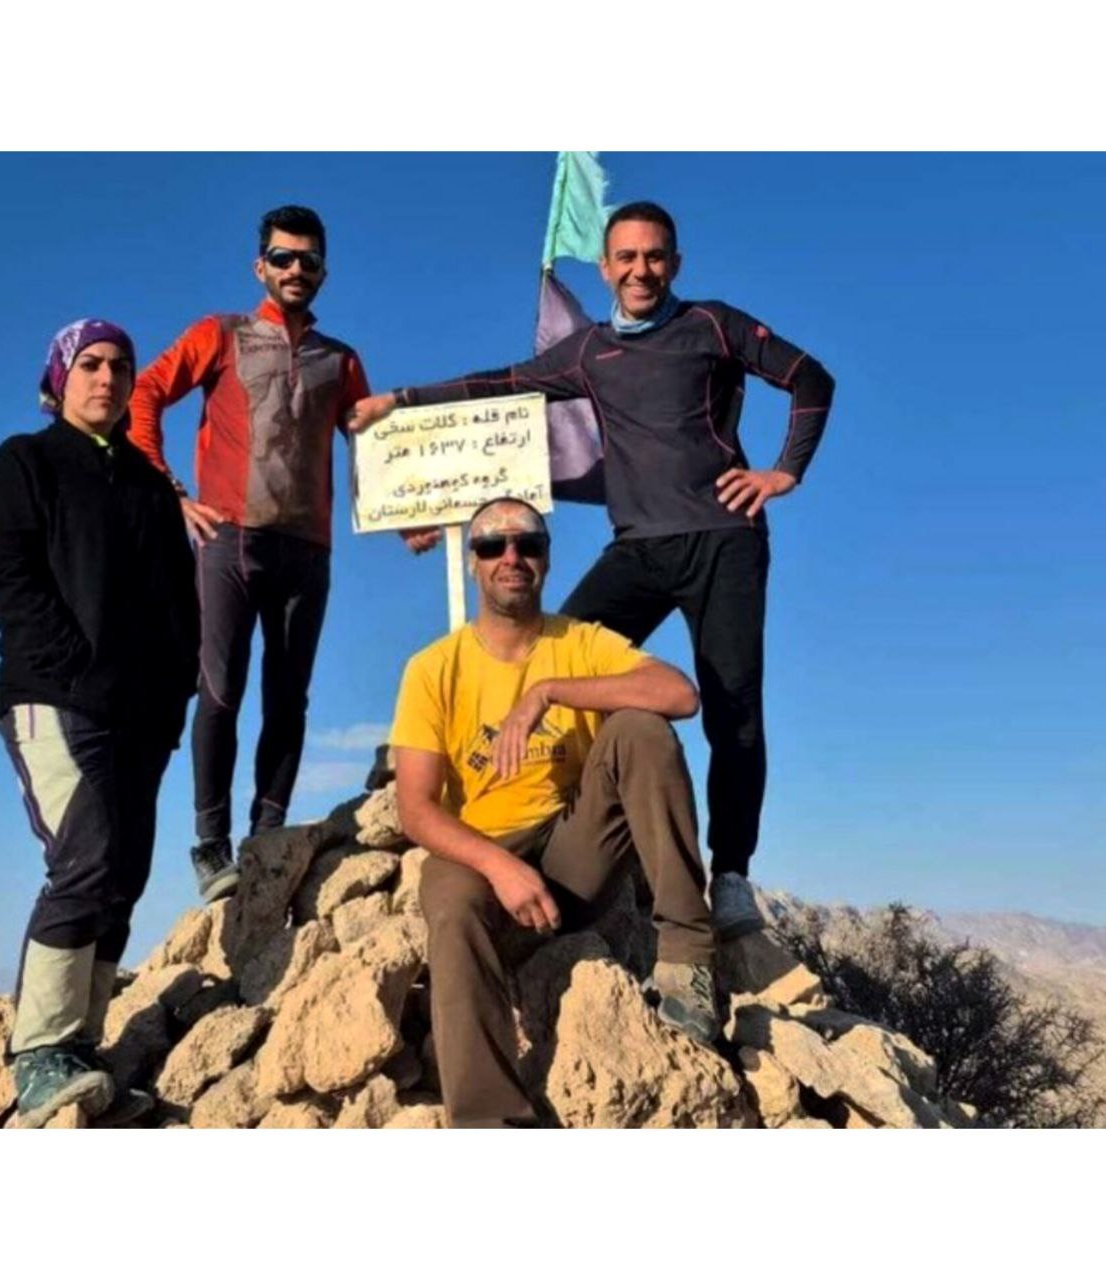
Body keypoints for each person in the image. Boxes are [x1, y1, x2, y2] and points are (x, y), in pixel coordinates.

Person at [352, 200, 835, 943]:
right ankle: (559, 810)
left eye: (655, 256)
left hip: (723, 539)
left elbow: (811, 379)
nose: (641, 270)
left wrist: (784, 472)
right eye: (627, 258)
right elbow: (502, 384)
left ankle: (731, 874)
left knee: (733, 706)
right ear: (605, 268)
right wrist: (402, 401)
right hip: (637, 547)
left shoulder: (712, 324)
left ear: (675, 263)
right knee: (547, 649)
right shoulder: (587, 351)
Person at [389, 496, 715, 1128]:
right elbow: (416, 809)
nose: (510, 557)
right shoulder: (433, 669)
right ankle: (492, 1123)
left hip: (573, 849)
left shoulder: (579, 642)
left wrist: (550, 691)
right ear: (473, 562)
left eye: (527, 543)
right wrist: (500, 867)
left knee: (641, 730)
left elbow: (679, 694)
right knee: (451, 904)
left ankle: (688, 962)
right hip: (482, 854)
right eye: (493, 545)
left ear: (546, 558)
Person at [0, 319, 200, 1128]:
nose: (108, 378)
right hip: (53, 698)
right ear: (60, 378)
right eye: (91, 364)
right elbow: (1, 572)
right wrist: (72, 661)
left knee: (124, 873)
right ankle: (39, 1052)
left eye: (121, 367)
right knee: (86, 858)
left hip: (142, 715)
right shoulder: (22, 463)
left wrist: (175, 690)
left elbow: (180, 600)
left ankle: (82, 1048)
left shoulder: (148, 484)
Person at [128, 206, 370, 904]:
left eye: (309, 260)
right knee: (221, 691)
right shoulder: (222, 333)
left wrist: (408, 516)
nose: (296, 269)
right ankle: (210, 842)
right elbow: (146, 392)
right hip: (228, 540)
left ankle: (266, 836)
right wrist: (169, 491)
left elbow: (370, 440)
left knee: (288, 699)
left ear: (324, 271)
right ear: (260, 265)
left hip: (308, 549)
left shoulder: (340, 359)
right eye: (283, 258)